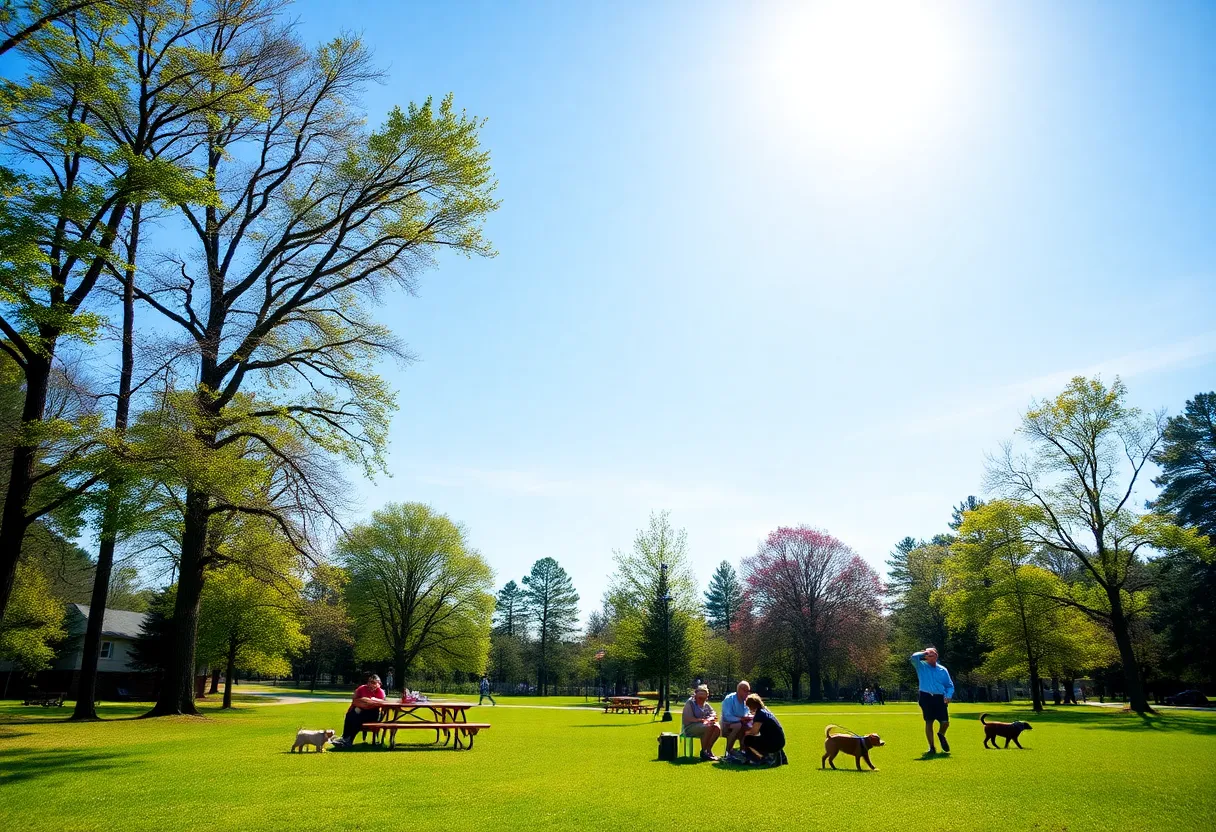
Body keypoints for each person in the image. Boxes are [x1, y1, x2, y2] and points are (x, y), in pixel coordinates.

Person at [910, 647, 954, 753]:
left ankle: (941, 734)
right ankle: (932, 747)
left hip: (940, 697)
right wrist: (925, 652)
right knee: (929, 722)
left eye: (933, 654)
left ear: (936, 656)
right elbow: (913, 657)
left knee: (945, 723)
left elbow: (949, 685)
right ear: (925, 657)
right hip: (926, 697)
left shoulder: (943, 670)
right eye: (928, 655)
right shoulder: (921, 666)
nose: (931, 656)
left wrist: (948, 695)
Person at [331, 673, 387, 749]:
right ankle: (345, 738)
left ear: (379, 684)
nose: (371, 685)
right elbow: (355, 700)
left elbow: (382, 703)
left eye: (374, 683)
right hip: (360, 710)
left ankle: (348, 740)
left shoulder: (380, 692)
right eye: (370, 682)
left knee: (358, 718)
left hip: (373, 713)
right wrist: (363, 702)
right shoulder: (362, 688)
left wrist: (370, 701)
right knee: (350, 715)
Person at [736, 693, 786, 766]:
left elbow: (754, 732)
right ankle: (780, 757)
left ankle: (764, 758)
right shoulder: (766, 711)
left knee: (748, 740)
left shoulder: (760, 714)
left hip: (774, 743)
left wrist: (746, 732)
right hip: (780, 741)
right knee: (762, 738)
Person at [681, 684, 721, 761]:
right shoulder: (690, 703)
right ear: (696, 695)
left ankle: (708, 750)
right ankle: (704, 751)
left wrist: (710, 718)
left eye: (704, 697)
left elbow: (713, 713)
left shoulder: (706, 705)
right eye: (700, 696)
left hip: (703, 726)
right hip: (690, 727)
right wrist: (702, 720)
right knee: (709, 726)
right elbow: (688, 718)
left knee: (717, 727)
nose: (702, 699)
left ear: (706, 697)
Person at [719, 680, 752, 755]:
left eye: (748, 691)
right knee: (738, 726)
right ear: (739, 690)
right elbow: (727, 717)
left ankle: (744, 751)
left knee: (750, 727)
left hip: (741, 724)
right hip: (726, 725)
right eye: (745, 691)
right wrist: (740, 719)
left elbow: (747, 713)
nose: (747, 693)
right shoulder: (729, 699)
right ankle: (728, 751)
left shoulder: (745, 701)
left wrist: (748, 717)